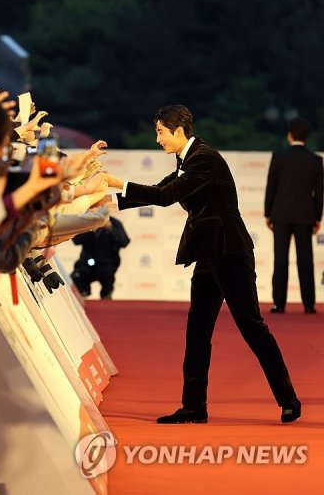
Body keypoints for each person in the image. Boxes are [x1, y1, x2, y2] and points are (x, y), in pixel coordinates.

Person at [103, 105, 301, 424]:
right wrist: (109, 200)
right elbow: (157, 191)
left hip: (230, 252)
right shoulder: (187, 159)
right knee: (197, 329)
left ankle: (288, 398)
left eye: (160, 132)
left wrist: (116, 182)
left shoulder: (204, 159)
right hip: (208, 253)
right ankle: (194, 407)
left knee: (251, 327)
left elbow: (167, 196)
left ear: (178, 131)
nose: (158, 139)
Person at [264, 117, 323, 314]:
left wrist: (268, 213)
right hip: (305, 216)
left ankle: (278, 304)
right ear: (307, 136)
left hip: (280, 214)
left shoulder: (279, 157)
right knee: (305, 260)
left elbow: (271, 187)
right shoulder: (315, 160)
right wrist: (317, 218)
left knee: (280, 259)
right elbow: (319, 192)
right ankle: (309, 305)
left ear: (290, 135)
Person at [70, 217, 129, 299]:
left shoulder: (114, 223)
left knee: (107, 279)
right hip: (86, 264)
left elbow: (124, 242)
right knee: (77, 276)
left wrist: (110, 229)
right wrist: (87, 228)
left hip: (107, 265)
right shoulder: (86, 222)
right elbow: (76, 241)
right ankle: (82, 297)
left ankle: (106, 299)